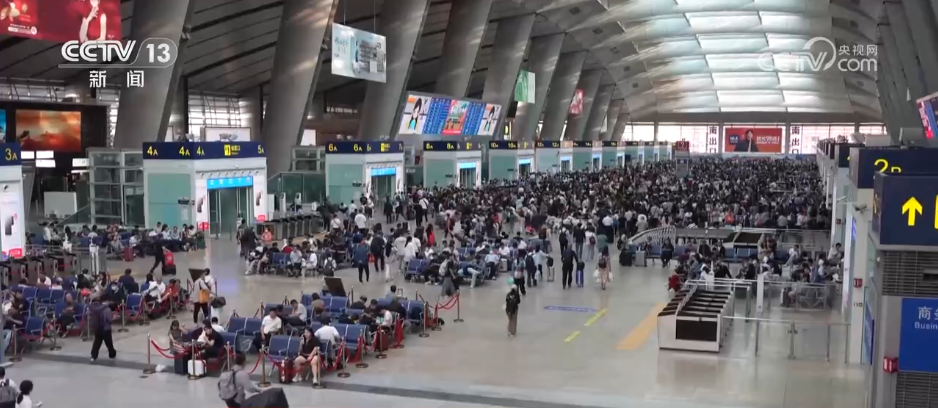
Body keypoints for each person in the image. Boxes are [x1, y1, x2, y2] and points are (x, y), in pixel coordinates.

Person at [89, 298, 116, 362]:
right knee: (109, 343)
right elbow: (109, 320)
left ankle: (93, 356)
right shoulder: (106, 309)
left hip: (97, 328)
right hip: (106, 329)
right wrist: (113, 318)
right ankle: (112, 354)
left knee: (97, 343)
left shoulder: (93, 310)